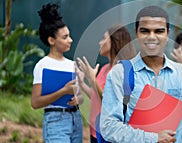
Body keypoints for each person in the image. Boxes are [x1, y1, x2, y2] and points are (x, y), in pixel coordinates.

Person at [99, 5, 182, 143]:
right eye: (145, 31)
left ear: (167, 33)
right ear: (136, 33)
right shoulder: (120, 74)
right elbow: (108, 127)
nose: (152, 37)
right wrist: (153, 138)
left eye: (159, 31)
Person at [31, 3, 83, 143]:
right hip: (55, 121)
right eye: (65, 37)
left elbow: (81, 97)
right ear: (51, 40)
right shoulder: (42, 66)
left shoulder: (73, 65)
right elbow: (35, 103)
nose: (70, 40)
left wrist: (78, 99)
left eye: (69, 36)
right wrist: (63, 91)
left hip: (76, 120)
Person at [76, 25, 136, 143]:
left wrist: (92, 79)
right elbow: (96, 96)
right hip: (95, 130)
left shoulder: (122, 70)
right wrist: (82, 83)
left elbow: (111, 101)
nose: (100, 42)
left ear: (115, 41)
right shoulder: (104, 69)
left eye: (104, 38)